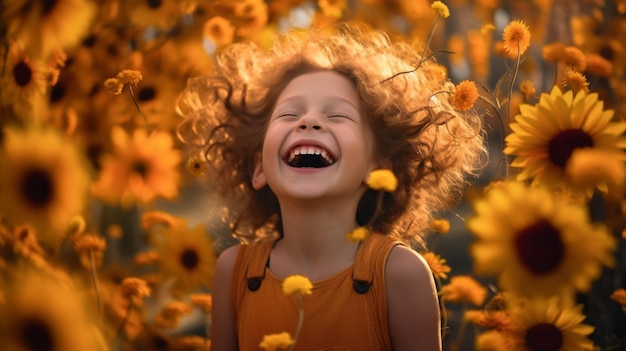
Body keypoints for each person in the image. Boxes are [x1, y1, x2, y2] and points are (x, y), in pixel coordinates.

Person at [177, 22, 484, 351]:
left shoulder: (399, 274)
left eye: (338, 115)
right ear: (259, 167)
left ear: (379, 167)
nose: (308, 121)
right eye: (289, 113)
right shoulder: (234, 272)